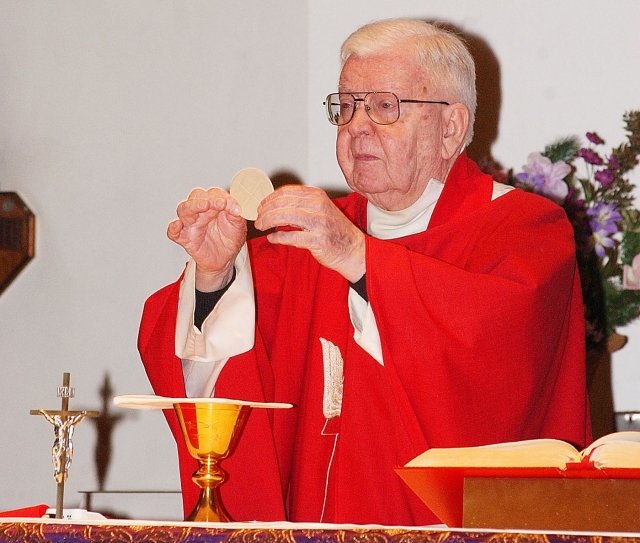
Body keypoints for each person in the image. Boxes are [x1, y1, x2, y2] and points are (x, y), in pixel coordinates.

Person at [138, 18, 591, 526]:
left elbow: (495, 366)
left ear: (451, 128)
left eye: (383, 106)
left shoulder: (524, 227)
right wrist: (215, 274)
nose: (356, 126)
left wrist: (359, 258)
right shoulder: (310, 239)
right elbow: (224, 381)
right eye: (346, 107)